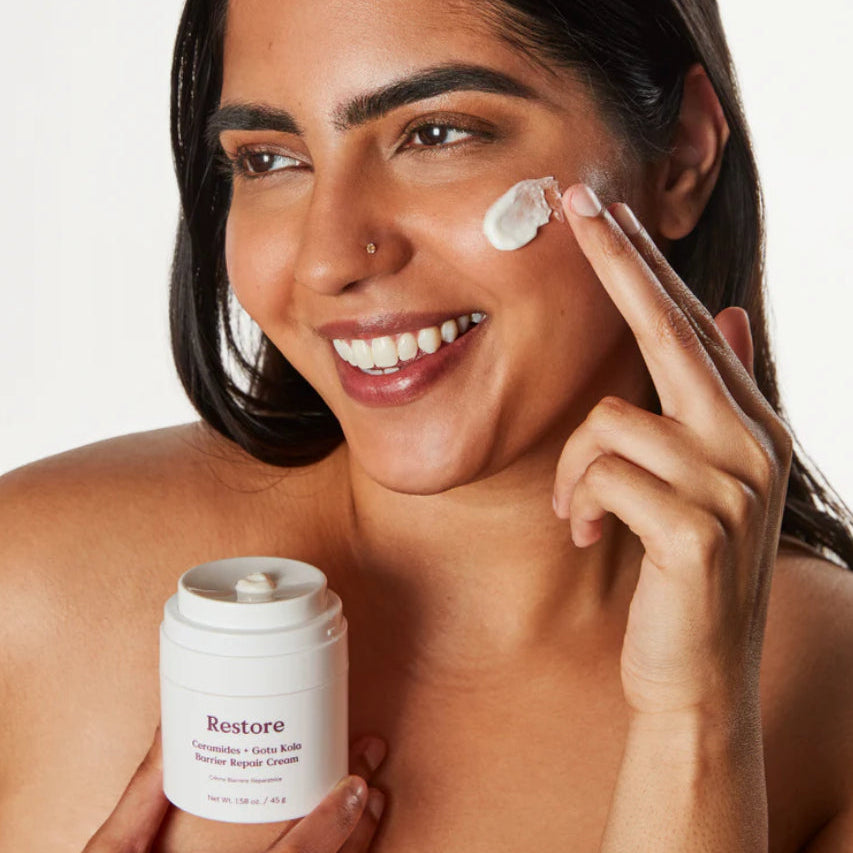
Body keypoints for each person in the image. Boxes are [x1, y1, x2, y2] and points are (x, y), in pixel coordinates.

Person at [2, 0, 852, 850]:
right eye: (268, 158)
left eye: (436, 135)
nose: (328, 257)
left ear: (681, 157)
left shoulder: (829, 705)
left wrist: (694, 720)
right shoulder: (31, 590)